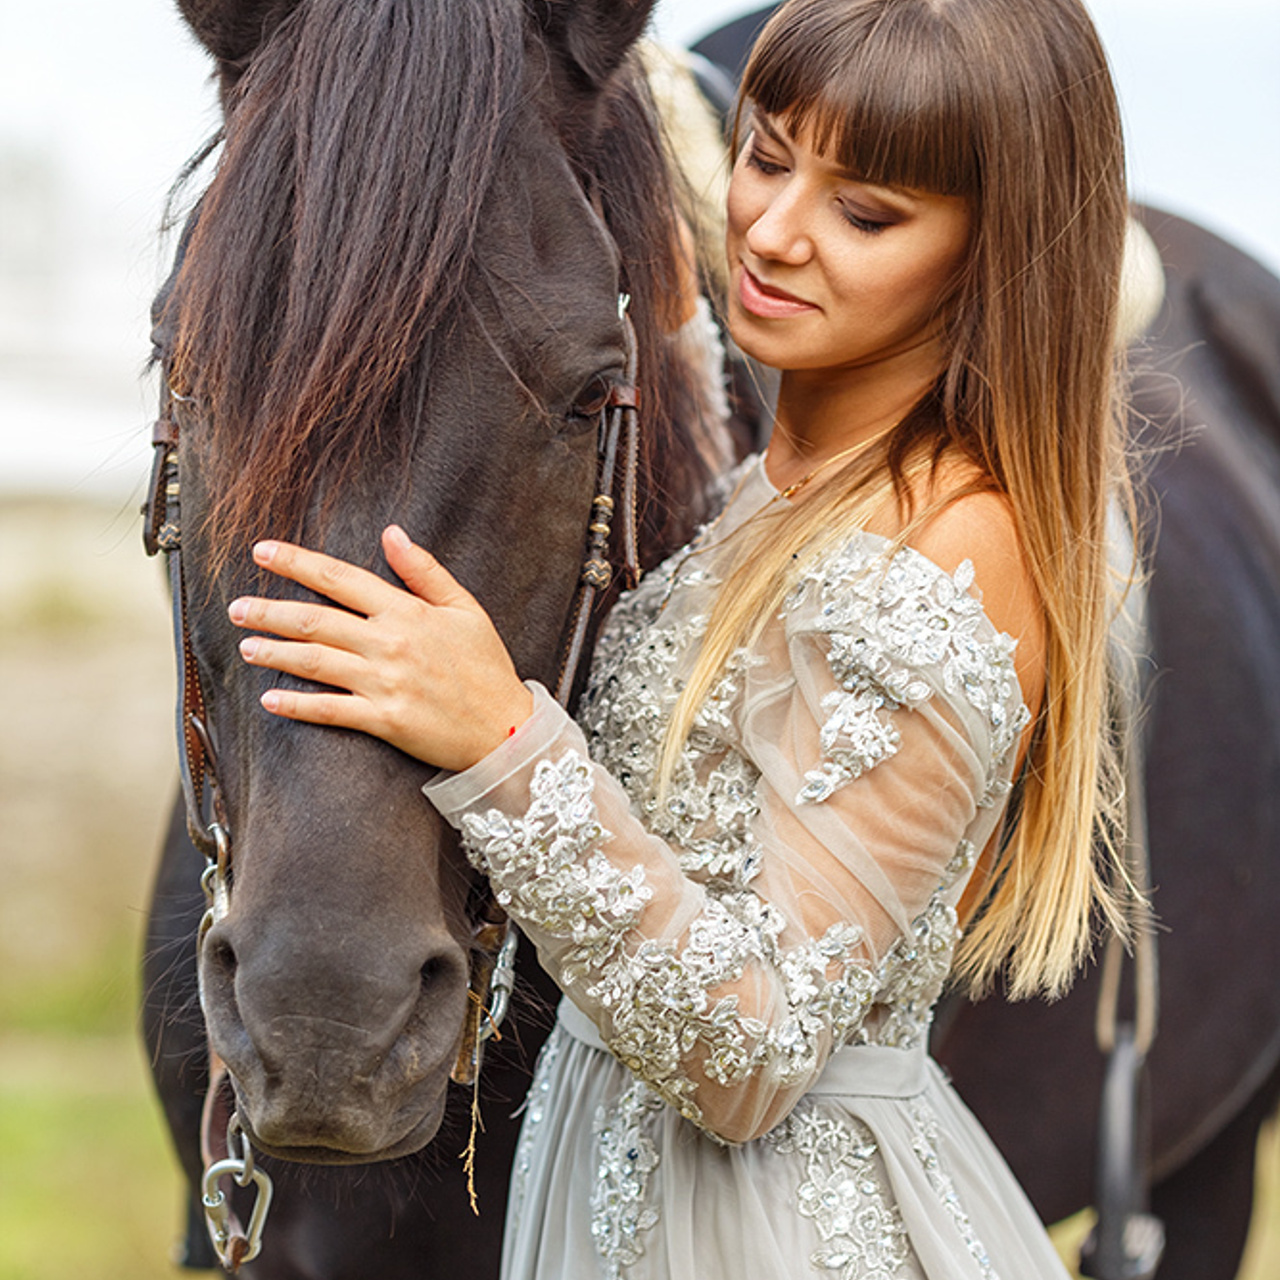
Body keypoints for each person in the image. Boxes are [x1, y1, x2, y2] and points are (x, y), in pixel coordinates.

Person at [225, 0, 1135, 1274]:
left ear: (997, 251)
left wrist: (495, 733)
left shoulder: (946, 541)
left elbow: (753, 1055)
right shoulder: (772, 500)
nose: (768, 231)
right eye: (765, 158)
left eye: (863, 213)